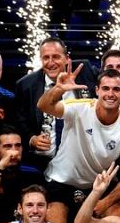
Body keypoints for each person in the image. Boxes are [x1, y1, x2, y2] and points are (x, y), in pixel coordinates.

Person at [38, 68, 120, 223]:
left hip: (99, 185)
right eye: (106, 89)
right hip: (62, 181)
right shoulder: (80, 108)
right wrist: (58, 89)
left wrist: (105, 201)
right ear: (97, 90)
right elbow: (44, 105)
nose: (110, 94)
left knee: (119, 219)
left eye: (116, 89)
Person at [14, 37, 97, 171]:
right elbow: (19, 121)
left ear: (67, 58)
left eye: (56, 57)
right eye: (46, 58)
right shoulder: (26, 85)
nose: (50, 62)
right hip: (42, 162)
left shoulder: (84, 70)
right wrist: (31, 139)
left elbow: (112, 75)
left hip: (81, 162)